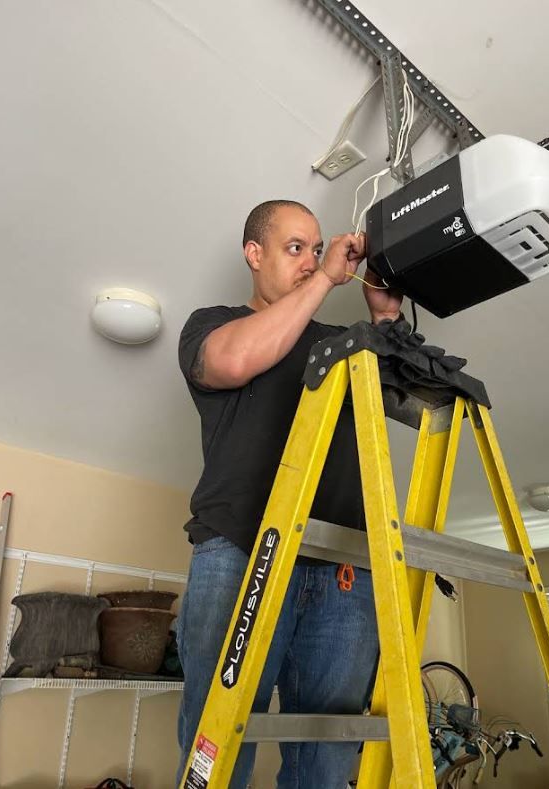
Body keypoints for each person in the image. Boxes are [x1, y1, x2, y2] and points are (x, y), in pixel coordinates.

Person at [176, 199, 404, 788]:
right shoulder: (213, 323)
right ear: (254, 254)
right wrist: (327, 277)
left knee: (326, 759)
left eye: (316, 248)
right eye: (294, 248)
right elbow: (234, 360)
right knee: (217, 746)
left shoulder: (342, 341)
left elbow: (400, 399)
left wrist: (383, 320)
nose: (310, 260)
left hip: (342, 571)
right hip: (241, 554)